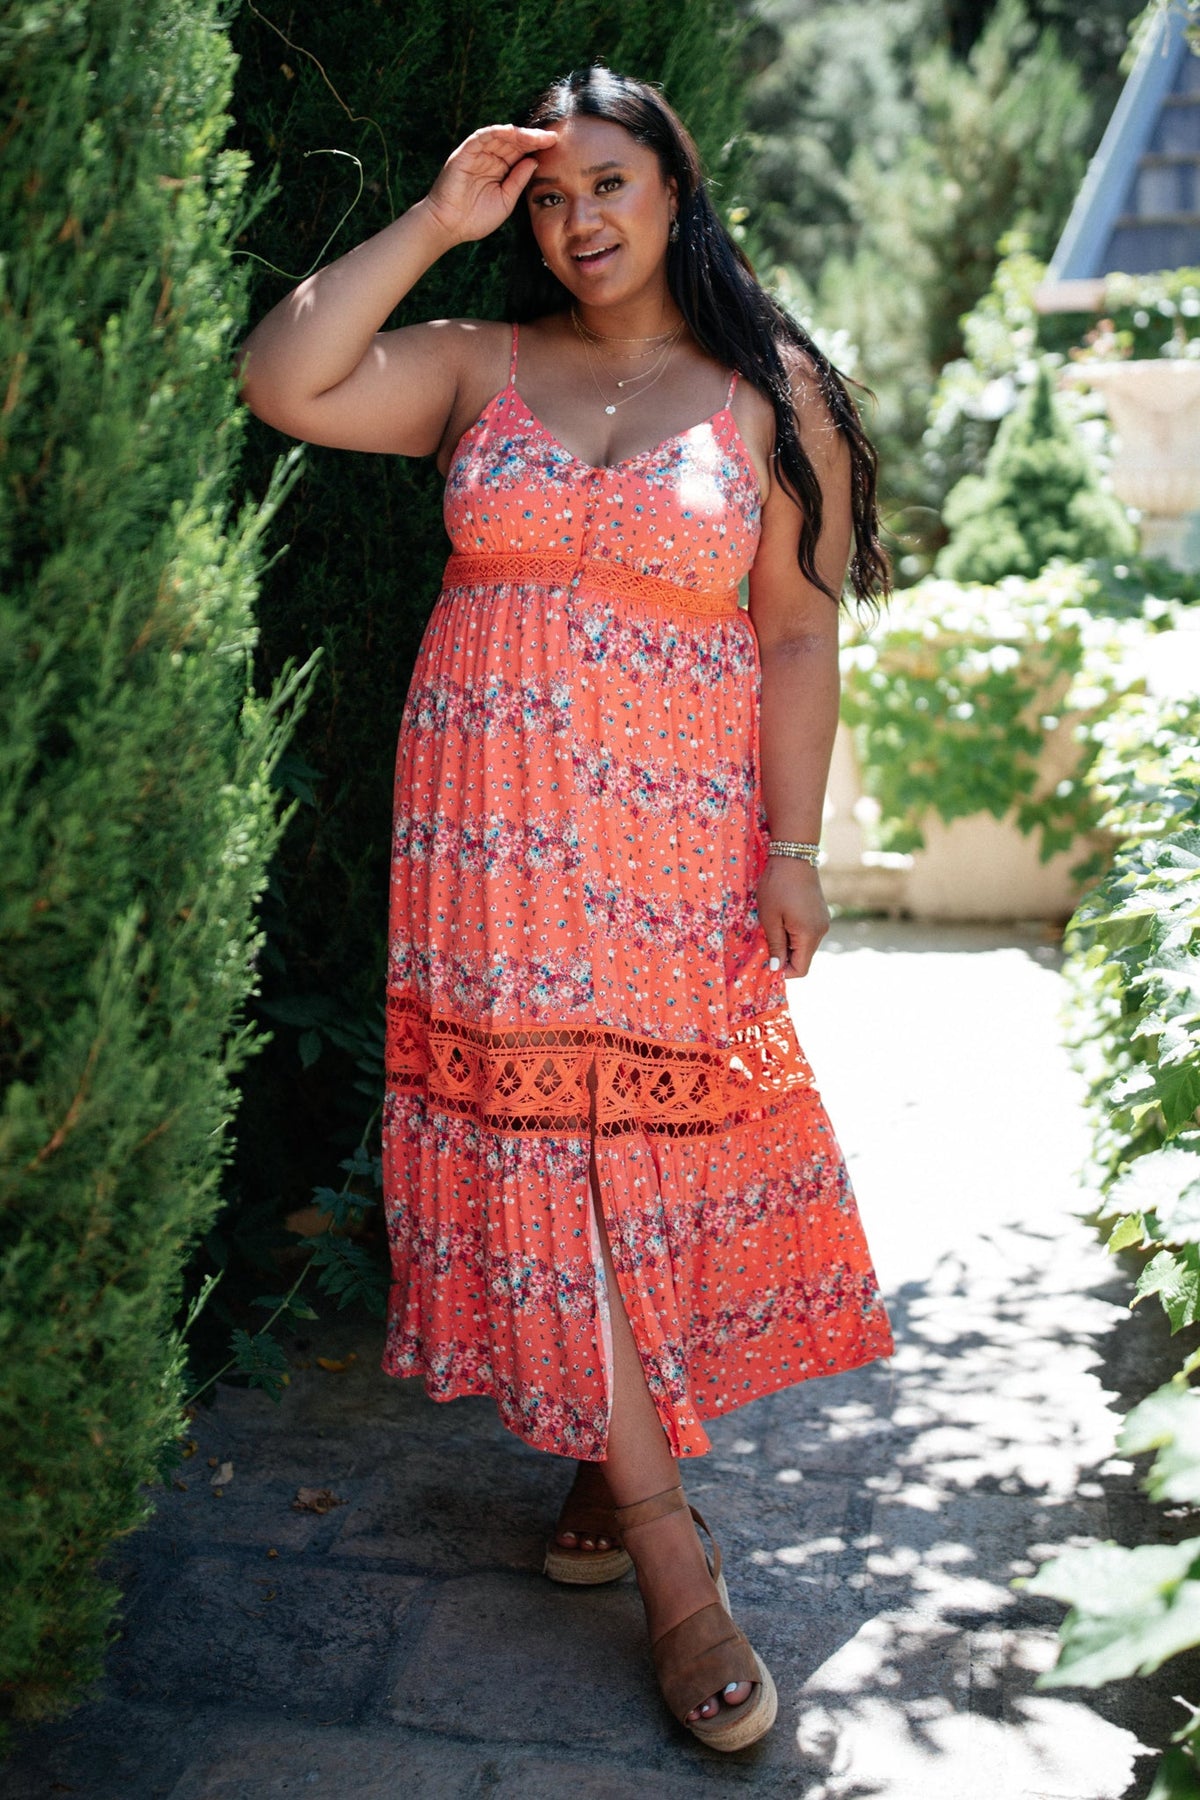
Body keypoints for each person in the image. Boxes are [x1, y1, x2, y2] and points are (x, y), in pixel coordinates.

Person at [238, 63, 894, 1753]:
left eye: (608, 183)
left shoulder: (770, 393)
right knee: (543, 1146)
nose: (578, 219)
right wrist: (435, 223)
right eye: (547, 194)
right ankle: (678, 1563)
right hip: (492, 841)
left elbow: (801, 633)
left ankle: (620, 1470)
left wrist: (793, 848)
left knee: (632, 1155)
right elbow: (288, 375)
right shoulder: (478, 366)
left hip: (674, 852)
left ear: (676, 190)